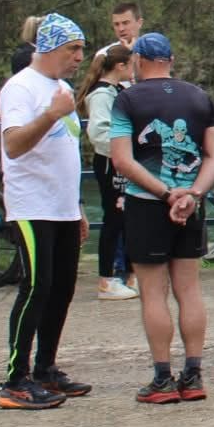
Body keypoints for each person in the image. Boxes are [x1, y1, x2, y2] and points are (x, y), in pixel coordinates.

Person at [108, 33, 214, 403]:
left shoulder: (127, 100)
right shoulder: (199, 97)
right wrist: (193, 193)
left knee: (153, 292)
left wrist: (165, 193)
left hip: (147, 202)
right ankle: (193, 375)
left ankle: (162, 378)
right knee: (189, 290)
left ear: (139, 60)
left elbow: (122, 160)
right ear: (171, 60)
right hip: (190, 203)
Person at [0, 14, 92, 410]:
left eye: (82, 49)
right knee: (36, 287)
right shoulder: (20, 88)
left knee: (62, 288)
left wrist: (78, 206)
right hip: (32, 205)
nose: (80, 57)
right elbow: (14, 145)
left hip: (62, 206)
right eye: (73, 49)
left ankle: (45, 369)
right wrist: (50, 114)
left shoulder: (62, 88)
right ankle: (15, 379)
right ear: (50, 48)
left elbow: (66, 151)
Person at [80, 44, 137, 300]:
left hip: (122, 161)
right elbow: (99, 132)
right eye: (131, 64)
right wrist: (123, 149)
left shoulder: (117, 90)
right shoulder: (101, 94)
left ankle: (132, 274)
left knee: (128, 219)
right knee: (114, 219)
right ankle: (107, 278)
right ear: (120, 66)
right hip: (110, 163)